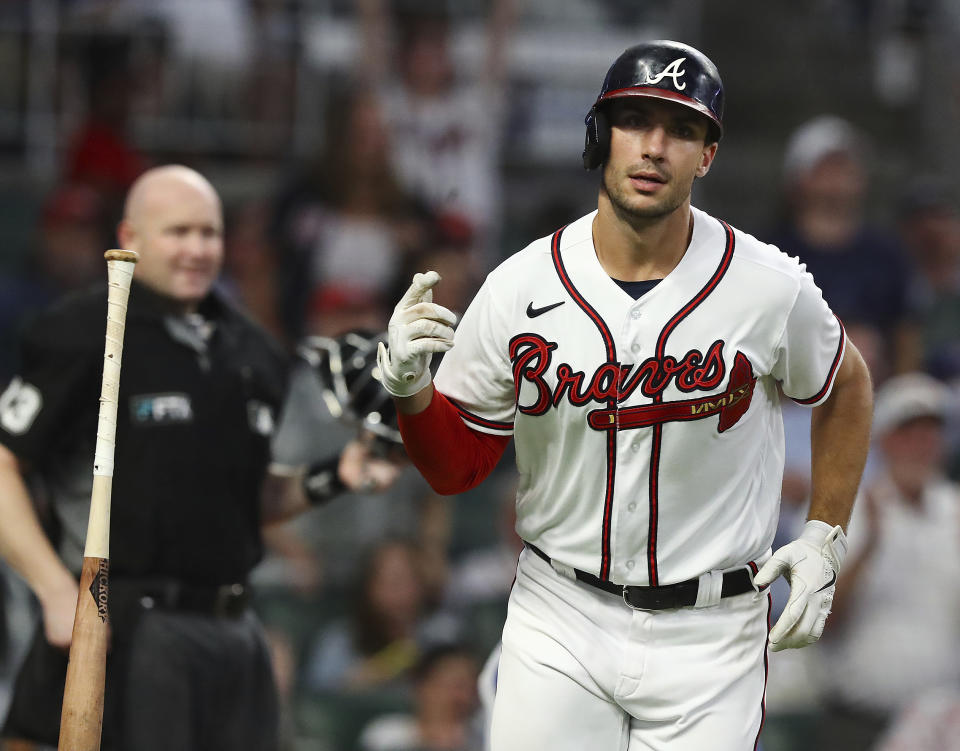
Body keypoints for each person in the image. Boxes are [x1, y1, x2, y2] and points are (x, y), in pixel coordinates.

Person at [374, 40, 874, 751]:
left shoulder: (768, 285)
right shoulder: (520, 286)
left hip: (713, 631)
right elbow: (457, 469)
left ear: (708, 155)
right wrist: (412, 391)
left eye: (682, 128)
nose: (655, 146)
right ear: (599, 134)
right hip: (562, 616)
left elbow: (847, 382)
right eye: (636, 120)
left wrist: (824, 532)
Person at [0, 165, 401, 751]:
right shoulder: (84, 331)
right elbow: (4, 464)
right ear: (130, 236)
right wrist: (55, 591)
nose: (196, 249)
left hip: (233, 631)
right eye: (177, 232)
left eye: (209, 233)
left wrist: (331, 477)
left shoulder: (255, 351)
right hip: (116, 625)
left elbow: (242, 500)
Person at [816, 372, 960, 750]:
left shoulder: (954, 509)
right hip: (861, 724)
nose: (921, 445)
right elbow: (818, 624)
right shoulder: (846, 509)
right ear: (882, 441)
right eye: (908, 433)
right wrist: (869, 550)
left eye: (930, 433)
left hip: (943, 725)